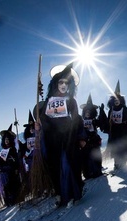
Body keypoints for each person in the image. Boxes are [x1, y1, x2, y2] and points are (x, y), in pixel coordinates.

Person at [36, 63, 85, 207]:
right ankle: (59, 193)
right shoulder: (47, 102)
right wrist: (39, 125)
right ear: (55, 84)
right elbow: (44, 119)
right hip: (52, 139)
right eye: (60, 82)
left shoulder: (71, 101)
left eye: (66, 82)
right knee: (54, 166)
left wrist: (81, 137)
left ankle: (71, 193)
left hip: (67, 138)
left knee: (67, 164)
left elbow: (77, 119)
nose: (63, 85)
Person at [101, 92, 127, 170]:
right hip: (114, 131)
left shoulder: (124, 108)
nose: (117, 101)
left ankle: (123, 161)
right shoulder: (111, 110)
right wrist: (102, 112)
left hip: (123, 130)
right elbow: (108, 121)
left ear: (120, 100)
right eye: (115, 99)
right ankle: (116, 162)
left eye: (118, 99)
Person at [0, 124, 20, 207]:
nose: (6, 141)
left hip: (11, 171)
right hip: (5, 172)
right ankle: (8, 201)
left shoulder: (13, 150)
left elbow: (16, 160)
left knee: (12, 185)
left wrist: (15, 167)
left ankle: (14, 200)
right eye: (5, 139)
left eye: (8, 139)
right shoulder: (3, 150)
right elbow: (2, 160)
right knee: (6, 187)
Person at [79, 94, 103, 179]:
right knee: (86, 157)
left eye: (89, 111)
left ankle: (96, 171)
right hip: (85, 141)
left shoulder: (94, 120)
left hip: (94, 140)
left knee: (95, 155)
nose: (87, 113)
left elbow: (101, 123)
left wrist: (102, 112)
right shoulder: (81, 121)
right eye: (86, 111)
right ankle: (87, 173)